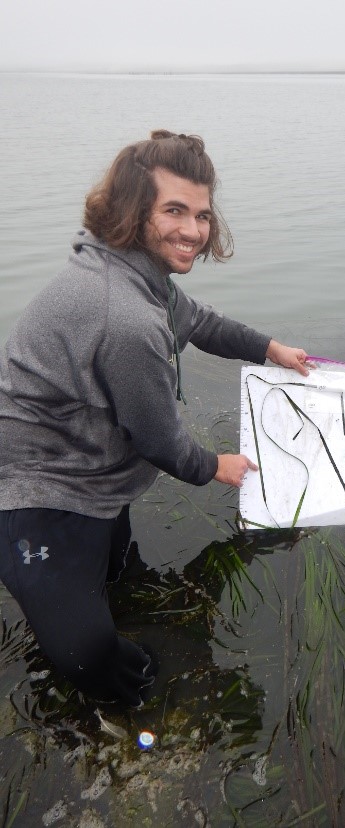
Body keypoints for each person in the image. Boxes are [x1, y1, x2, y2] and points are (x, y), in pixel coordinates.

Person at [0, 130, 309, 706]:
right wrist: (219, 465)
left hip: (93, 465)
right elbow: (162, 441)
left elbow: (205, 323)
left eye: (202, 214)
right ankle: (134, 708)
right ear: (132, 209)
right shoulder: (125, 315)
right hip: (39, 489)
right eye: (174, 210)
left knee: (119, 573)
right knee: (88, 656)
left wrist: (271, 349)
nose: (193, 231)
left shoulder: (138, 275)